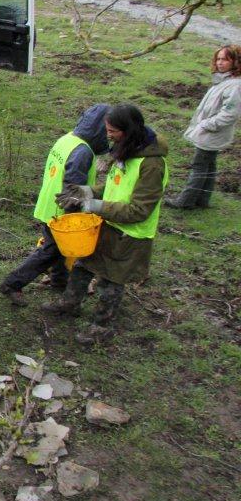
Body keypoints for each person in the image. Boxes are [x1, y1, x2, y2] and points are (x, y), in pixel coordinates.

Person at [42, 104, 168, 344]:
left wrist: (94, 206)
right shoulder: (127, 150)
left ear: (129, 130)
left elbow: (139, 210)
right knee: (83, 264)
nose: (107, 135)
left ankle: (102, 327)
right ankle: (70, 304)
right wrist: (86, 191)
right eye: (106, 130)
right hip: (108, 224)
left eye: (113, 131)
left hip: (130, 234)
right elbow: (115, 188)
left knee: (111, 281)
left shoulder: (151, 165)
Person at [0, 104, 111, 306]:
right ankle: (12, 284)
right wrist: (72, 220)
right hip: (60, 213)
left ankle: (60, 282)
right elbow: (72, 190)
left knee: (60, 251)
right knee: (51, 251)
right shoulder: (83, 152)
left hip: (47, 205)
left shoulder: (68, 138)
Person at [165, 44, 241, 209]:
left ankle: (185, 201)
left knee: (199, 166)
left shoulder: (234, 85)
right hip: (211, 131)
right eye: (218, 59)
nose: (220, 63)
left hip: (212, 132)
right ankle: (202, 199)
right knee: (209, 165)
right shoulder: (223, 81)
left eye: (225, 60)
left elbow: (230, 113)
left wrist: (207, 125)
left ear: (235, 62)